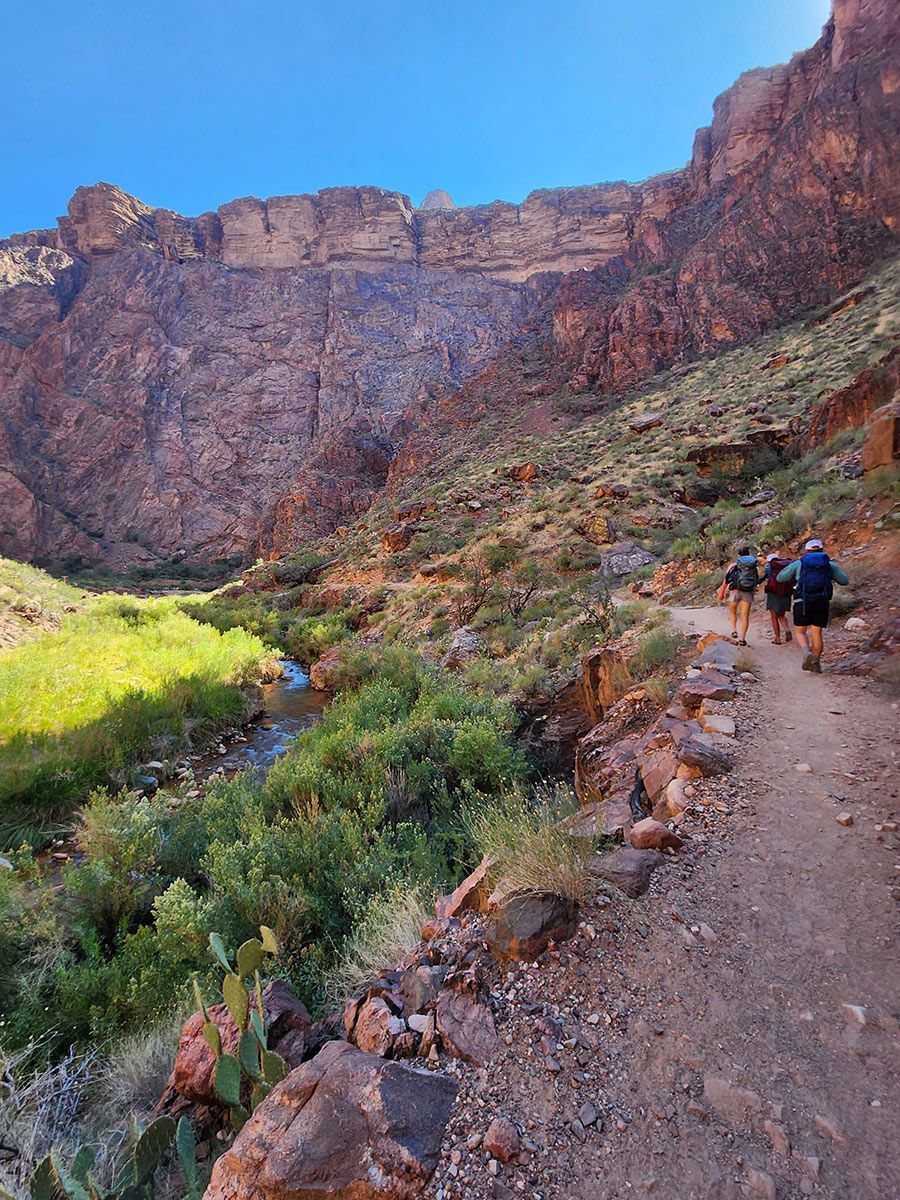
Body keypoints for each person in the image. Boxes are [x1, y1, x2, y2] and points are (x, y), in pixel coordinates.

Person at [776, 538, 849, 672]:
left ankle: (807, 653)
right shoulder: (829, 565)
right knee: (817, 633)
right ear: (822, 550)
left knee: (800, 632)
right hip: (822, 602)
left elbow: (780, 578)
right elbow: (844, 581)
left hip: (802, 602)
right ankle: (816, 662)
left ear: (807, 551)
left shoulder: (799, 564)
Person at [721, 546, 762, 645]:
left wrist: (721, 593)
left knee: (732, 611)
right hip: (748, 592)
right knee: (745, 616)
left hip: (735, 591)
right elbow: (756, 580)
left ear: (739, 555)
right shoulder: (753, 566)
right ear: (748, 554)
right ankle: (742, 639)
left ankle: (734, 630)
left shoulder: (732, 565)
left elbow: (726, 580)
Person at [763, 551, 794, 644]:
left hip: (773, 593)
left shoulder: (769, 568)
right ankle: (786, 629)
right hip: (786, 593)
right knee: (781, 614)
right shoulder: (787, 566)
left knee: (774, 616)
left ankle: (777, 638)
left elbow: (766, 577)